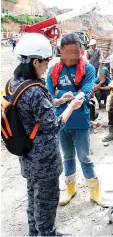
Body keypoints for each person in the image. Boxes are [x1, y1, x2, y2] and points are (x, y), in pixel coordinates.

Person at [12, 33, 83, 236]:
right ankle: (47, 233)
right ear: (35, 61)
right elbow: (53, 126)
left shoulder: (16, 83)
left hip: (26, 154)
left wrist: (59, 101)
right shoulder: (35, 90)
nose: (46, 66)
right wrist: (71, 105)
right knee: (47, 202)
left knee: (33, 197)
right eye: (45, 62)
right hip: (44, 160)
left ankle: (34, 232)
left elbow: (32, 108)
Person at [47, 33, 103, 207]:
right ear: (61, 51)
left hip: (81, 121)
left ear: (81, 51)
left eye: (76, 51)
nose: (72, 56)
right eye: (68, 52)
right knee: (68, 157)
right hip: (61, 121)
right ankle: (70, 189)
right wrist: (64, 95)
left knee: (84, 157)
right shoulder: (53, 69)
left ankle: (94, 191)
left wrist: (68, 96)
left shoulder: (88, 69)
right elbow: (49, 91)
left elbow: (87, 89)